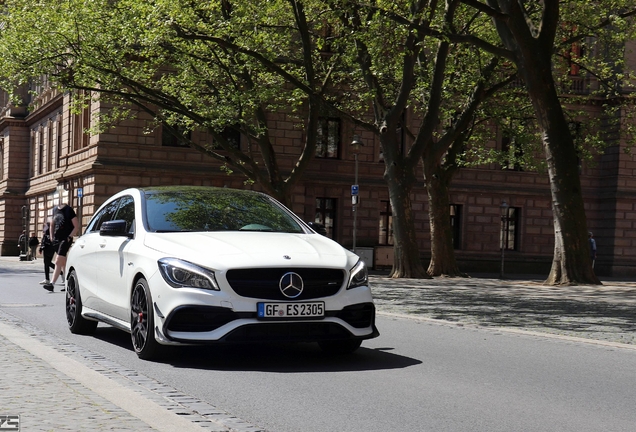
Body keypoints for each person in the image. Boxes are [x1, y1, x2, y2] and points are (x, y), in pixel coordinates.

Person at [43, 201, 78, 292]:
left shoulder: (69, 210)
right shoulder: (54, 210)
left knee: (58, 260)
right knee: (63, 263)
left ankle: (52, 284)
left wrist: (69, 237)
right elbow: (51, 224)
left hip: (65, 239)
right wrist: (51, 237)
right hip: (56, 240)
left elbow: (76, 226)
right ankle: (68, 285)